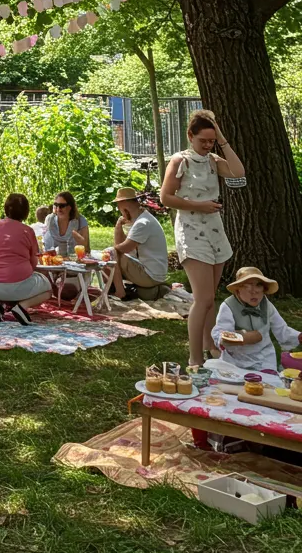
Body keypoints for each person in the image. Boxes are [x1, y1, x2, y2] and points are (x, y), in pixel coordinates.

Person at [160, 110, 246, 367]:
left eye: (211, 141)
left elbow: (238, 172)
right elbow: (166, 198)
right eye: (203, 141)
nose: (207, 145)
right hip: (190, 229)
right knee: (204, 298)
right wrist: (198, 206)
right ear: (190, 136)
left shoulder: (213, 160)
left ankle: (210, 346)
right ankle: (194, 357)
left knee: (211, 297)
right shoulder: (180, 161)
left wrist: (221, 138)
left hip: (214, 229)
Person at [213, 266, 302, 373]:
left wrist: (298, 336)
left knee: (267, 383)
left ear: (264, 289)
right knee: (232, 381)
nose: (254, 291)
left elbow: (281, 328)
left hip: (263, 357)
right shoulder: (228, 306)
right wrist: (237, 338)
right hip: (236, 358)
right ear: (238, 290)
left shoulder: (266, 305)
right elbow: (221, 332)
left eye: (258, 285)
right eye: (247, 286)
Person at [0, 192, 53, 325]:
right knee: (48, 288)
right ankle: (21, 307)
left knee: (16, 284)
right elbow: (34, 259)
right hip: (17, 282)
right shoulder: (27, 230)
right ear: (26, 212)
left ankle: (1, 305)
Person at [112, 187, 169, 301]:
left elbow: (123, 248)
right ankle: (115, 289)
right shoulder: (141, 219)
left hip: (151, 275)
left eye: (118, 205)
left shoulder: (142, 223)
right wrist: (119, 224)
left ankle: (119, 292)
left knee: (110, 254)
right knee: (111, 253)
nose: (118, 208)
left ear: (124, 203)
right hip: (152, 272)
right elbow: (121, 244)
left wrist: (109, 251)